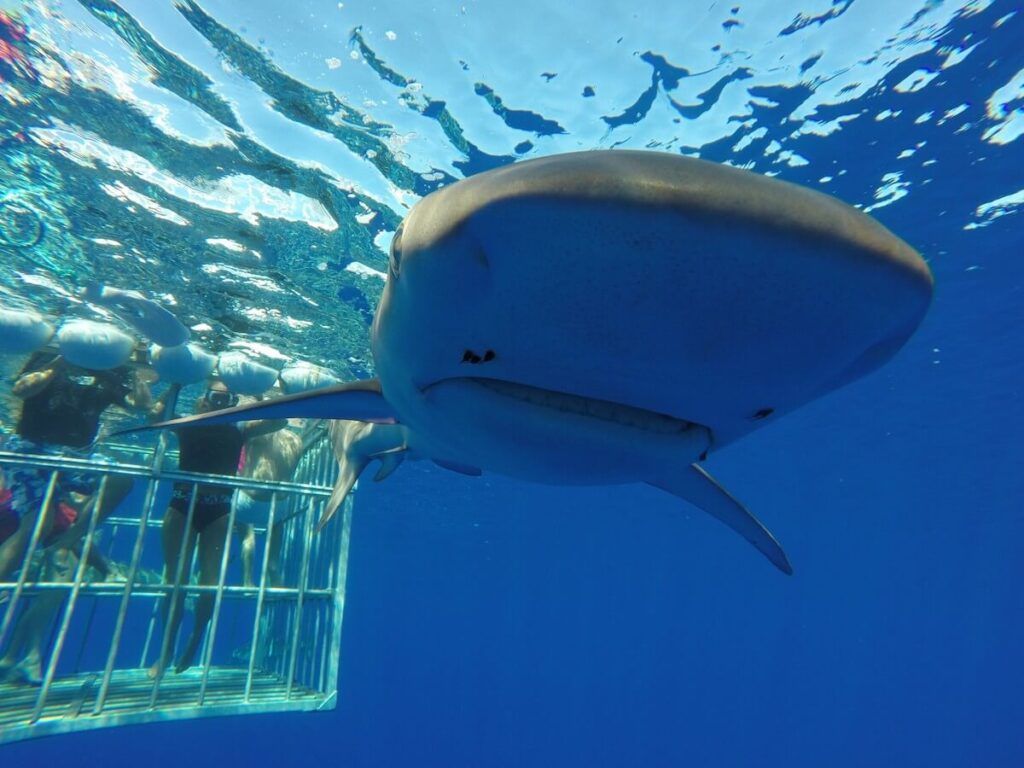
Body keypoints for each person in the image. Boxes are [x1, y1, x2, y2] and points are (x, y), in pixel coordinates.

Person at [149, 380, 284, 678]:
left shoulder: (240, 429)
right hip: (181, 506)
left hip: (218, 511)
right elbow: (155, 418)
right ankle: (167, 646)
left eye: (228, 399)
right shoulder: (188, 423)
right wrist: (175, 381)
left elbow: (280, 420)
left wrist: (259, 394)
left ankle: (196, 637)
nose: (222, 404)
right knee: (175, 580)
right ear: (205, 399)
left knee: (209, 581)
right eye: (216, 397)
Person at [0, 351, 151, 580]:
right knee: (38, 523)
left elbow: (140, 406)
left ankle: (65, 543)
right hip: (30, 450)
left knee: (120, 479)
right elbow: (21, 389)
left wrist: (136, 375)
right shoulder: (48, 356)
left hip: (75, 457)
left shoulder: (112, 369)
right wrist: (63, 360)